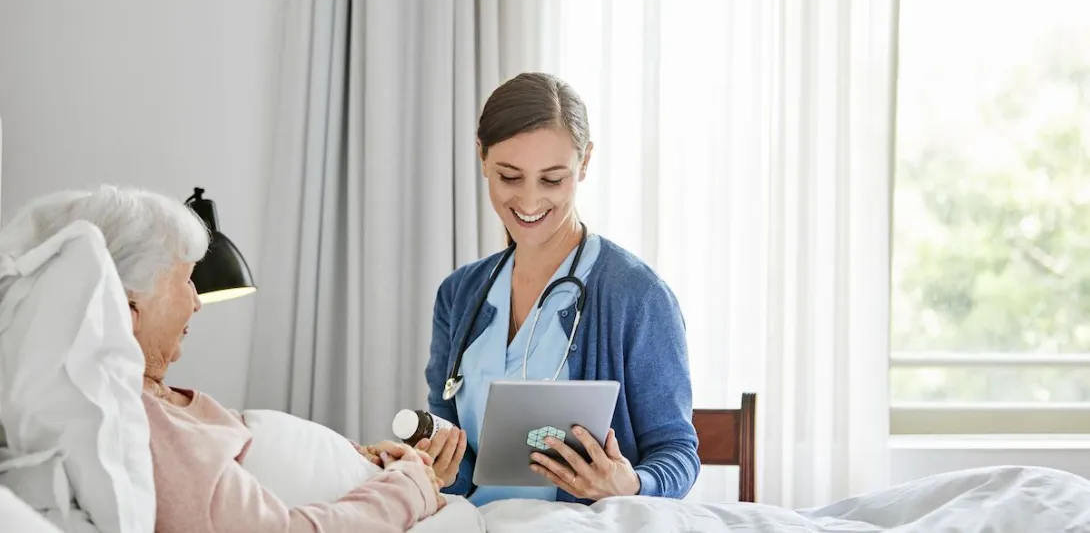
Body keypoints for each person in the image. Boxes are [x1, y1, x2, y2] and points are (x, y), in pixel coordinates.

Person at [0, 185, 444, 532]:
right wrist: (410, 488)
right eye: (185, 281)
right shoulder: (142, 421)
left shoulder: (157, 401)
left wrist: (369, 460)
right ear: (126, 305)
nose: (197, 301)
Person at [422, 72, 700, 506]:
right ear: (482, 157)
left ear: (585, 162)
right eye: (509, 177)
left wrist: (629, 485)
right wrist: (430, 462)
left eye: (553, 180)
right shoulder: (460, 294)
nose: (529, 202)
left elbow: (678, 453)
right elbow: (457, 459)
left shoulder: (637, 297)